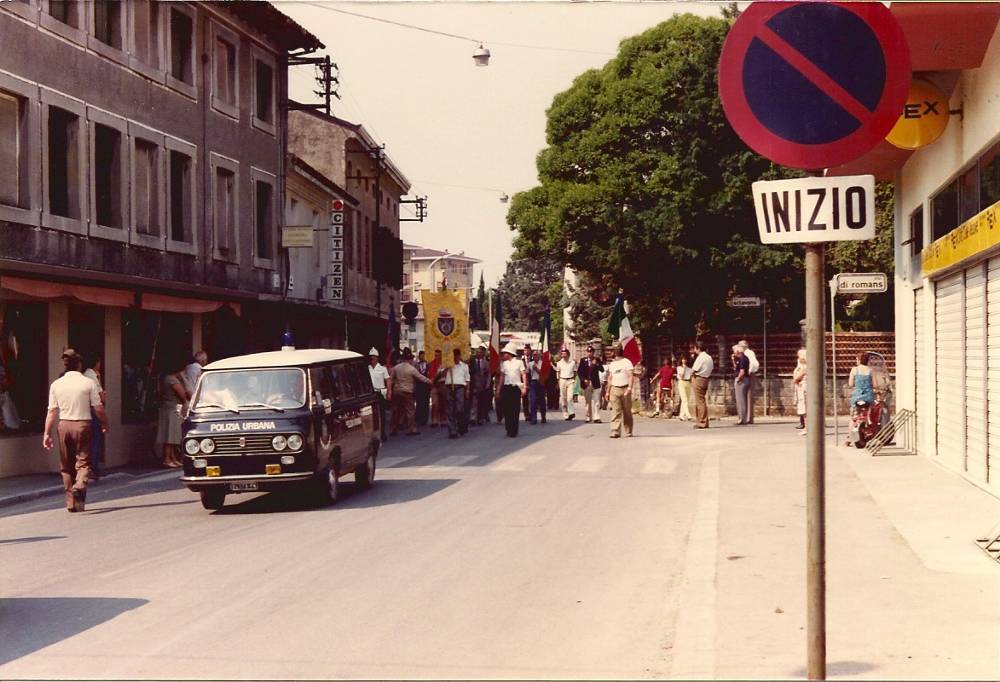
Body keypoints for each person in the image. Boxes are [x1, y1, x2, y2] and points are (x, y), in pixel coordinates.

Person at [43, 349, 109, 512]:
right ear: (79, 364)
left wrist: (46, 433)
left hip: (63, 425)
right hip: (83, 424)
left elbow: (52, 411)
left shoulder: (56, 384)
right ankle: (79, 485)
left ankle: (72, 503)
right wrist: (105, 423)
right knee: (83, 462)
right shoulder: (88, 383)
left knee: (66, 466)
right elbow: (98, 408)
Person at [388, 347, 431, 436]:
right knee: (410, 411)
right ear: (410, 358)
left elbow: (390, 379)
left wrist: (389, 391)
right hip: (407, 392)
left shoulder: (396, 368)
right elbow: (421, 378)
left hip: (397, 391)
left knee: (395, 411)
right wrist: (430, 381)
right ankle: (412, 429)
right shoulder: (411, 369)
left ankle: (393, 429)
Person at [157, 357, 190, 468]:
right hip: (173, 409)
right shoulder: (172, 379)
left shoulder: (166, 378)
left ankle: (172, 458)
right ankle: (167, 458)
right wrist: (183, 379)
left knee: (172, 435)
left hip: (168, 408)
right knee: (170, 435)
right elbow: (183, 395)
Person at [603, 344, 635, 438]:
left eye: (618, 350)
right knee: (615, 411)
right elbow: (610, 378)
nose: (616, 351)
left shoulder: (627, 362)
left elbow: (630, 376)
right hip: (614, 388)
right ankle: (615, 431)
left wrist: (629, 388)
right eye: (615, 350)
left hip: (625, 388)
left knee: (627, 411)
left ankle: (628, 430)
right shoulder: (612, 364)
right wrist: (608, 391)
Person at [496, 344, 527, 437]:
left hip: (516, 388)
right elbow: (502, 377)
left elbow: (523, 374)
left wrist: (524, 387)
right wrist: (498, 389)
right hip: (506, 387)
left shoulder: (519, 362)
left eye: (505, 353)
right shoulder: (504, 364)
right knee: (506, 409)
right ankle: (508, 428)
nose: (504, 355)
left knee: (515, 409)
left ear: (510, 353)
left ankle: (514, 430)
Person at [83, 356, 106, 479]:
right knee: (95, 439)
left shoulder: (85, 375)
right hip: (93, 410)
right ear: (97, 363)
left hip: (85, 411)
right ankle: (93, 467)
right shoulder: (93, 376)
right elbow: (101, 397)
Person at [445, 348, 471, 438]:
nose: (456, 358)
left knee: (459, 409)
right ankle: (452, 431)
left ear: (459, 356)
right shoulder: (447, 365)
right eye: (454, 356)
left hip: (460, 388)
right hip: (449, 387)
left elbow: (467, 379)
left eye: (457, 356)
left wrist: (467, 390)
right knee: (450, 409)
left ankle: (461, 426)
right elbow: (439, 374)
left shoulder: (464, 366)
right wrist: (445, 368)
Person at [368, 348, 391, 442]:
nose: (372, 358)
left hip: (380, 393)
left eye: (374, 356)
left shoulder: (382, 369)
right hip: (371, 393)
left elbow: (388, 380)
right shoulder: (367, 368)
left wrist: (389, 391)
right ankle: (373, 435)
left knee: (381, 414)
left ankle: (382, 433)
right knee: (372, 415)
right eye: (371, 356)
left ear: (377, 358)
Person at [690, 340, 714, 429]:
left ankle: (702, 421)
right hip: (706, 378)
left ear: (698, 348)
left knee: (699, 401)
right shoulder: (709, 357)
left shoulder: (701, 357)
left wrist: (691, 376)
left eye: (695, 348)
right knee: (702, 400)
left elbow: (694, 369)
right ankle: (702, 420)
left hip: (699, 378)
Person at [578, 346, 603, 423]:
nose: (589, 353)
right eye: (588, 352)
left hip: (595, 383)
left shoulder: (597, 360)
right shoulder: (583, 360)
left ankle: (596, 417)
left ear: (593, 352)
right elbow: (579, 372)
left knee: (597, 401)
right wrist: (583, 380)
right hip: (587, 383)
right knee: (587, 400)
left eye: (591, 352)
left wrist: (597, 364)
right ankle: (588, 417)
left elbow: (602, 370)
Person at [470, 345, 492, 425]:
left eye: (480, 352)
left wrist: (487, 385)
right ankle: (473, 418)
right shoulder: (471, 361)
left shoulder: (486, 363)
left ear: (484, 353)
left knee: (481, 402)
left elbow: (488, 374)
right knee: (473, 402)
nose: (479, 354)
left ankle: (480, 418)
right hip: (473, 384)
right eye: (477, 352)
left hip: (483, 385)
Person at [738, 340, 757, 424]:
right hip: (746, 374)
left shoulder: (749, 353)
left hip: (749, 375)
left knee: (749, 396)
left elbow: (754, 364)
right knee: (744, 397)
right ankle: (745, 417)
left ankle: (749, 418)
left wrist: (749, 371)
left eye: (739, 345)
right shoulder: (743, 354)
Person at [555, 347, 577, 421]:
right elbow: (558, 373)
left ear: (568, 354)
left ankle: (571, 412)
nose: (563, 355)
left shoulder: (572, 362)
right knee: (563, 398)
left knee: (570, 397)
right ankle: (565, 414)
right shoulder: (559, 363)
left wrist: (574, 379)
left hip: (570, 380)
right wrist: (558, 382)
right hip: (562, 380)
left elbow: (575, 372)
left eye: (565, 353)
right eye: (562, 353)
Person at [526, 349, 547, 425]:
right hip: (533, 383)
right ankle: (534, 418)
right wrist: (527, 384)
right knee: (533, 401)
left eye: (536, 355)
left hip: (541, 383)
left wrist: (537, 369)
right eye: (534, 355)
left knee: (542, 401)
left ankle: (543, 416)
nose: (535, 356)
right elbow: (527, 374)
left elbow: (544, 374)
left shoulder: (543, 363)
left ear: (539, 356)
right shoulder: (530, 364)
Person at [732, 344, 751, 425]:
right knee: (741, 400)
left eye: (734, 351)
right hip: (744, 379)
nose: (733, 353)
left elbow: (742, 372)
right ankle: (742, 417)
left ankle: (742, 419)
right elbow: (736, 367)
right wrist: (733, 360)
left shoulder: (743, 359)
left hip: (742, 380)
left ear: (737, 351)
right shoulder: (740, 359)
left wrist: (738, 379)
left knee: (740, 400)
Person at [429, 349, 447, 428]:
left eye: (438, 355)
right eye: (435, 355)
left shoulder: (445, 364)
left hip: (443, 385)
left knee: (443, 403)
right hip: (434, 385)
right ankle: (434, 420)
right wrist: (438, 374)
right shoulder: (432, 364)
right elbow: (431, 377)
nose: (436, 357)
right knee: (434, 403)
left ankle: (443, 419)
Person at [793, 348, 807, 435]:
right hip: (801, 388)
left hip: (804, 389)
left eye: (799, 356)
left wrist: (795, 380)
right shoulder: (801, 365)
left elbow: (797, 377)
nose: (797, 358)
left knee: (805, 409)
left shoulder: (805, 366)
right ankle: (806, 427)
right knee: (804, 409)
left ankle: (807, 428)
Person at [676, 353, 693, 421]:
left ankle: (681, 415)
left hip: (688, 382)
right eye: (683, 359)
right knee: (684, 398)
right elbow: (681, 376)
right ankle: (688, 414)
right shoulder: (679, 368)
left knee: (686, 400)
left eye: (685, 359)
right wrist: (684, 369)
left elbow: (690, 377)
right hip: (681, 382)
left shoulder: (689, 369)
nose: (684, 360)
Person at [415, 350, 430, 426]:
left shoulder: (428, 365)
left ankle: (425, 419)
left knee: (426, 402)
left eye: (423, 356)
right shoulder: (416, 365)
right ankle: (419, 418)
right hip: (419, 386)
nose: (422, 357)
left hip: (426, 386)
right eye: (421, 356)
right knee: (419, 402)